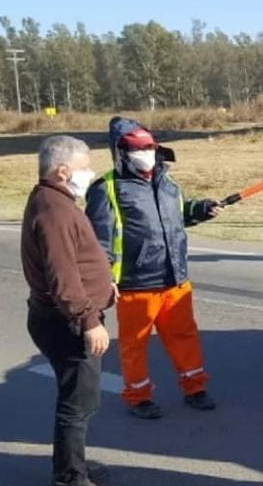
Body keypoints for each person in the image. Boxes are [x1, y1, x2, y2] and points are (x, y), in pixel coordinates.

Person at [85, 117, 220, 420]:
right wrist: (103, 281)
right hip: (135, 284)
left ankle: (195, 388)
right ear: (121, 151)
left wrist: (200, 209)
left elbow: (179, 214)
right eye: (138, 148)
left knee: (184, 335)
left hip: (174, 278)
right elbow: (98, 241)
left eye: (150, 146)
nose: (146, 153)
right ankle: (138, 396)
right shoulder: (106, 188)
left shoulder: (167, 182)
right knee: (134, 345)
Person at [20, 135, 123, 486]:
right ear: (63, 171)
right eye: (85, 167)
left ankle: (71, 468)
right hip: (67, 322)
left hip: (61, 317)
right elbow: (63, 278)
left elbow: (74, 263)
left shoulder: (52, 200)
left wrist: (103, 283)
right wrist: (88, 320)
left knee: (78, 401)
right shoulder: (56, 211)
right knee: (77, 405)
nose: (90, 174)